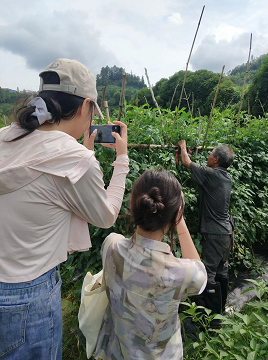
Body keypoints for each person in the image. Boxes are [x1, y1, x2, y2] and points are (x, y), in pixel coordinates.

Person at [0, 58, 129, 360]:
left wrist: (82, 152)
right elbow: (107, 215)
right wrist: (121, 160)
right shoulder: (75, 160)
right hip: (29, 299)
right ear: (86, 106)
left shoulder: (6, 136)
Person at [94, 169, 207, 360]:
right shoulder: (182, 272)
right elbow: (199, 270)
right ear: (176, 214)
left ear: (132, 204)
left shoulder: (111, 246)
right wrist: (179, 219)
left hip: (117, 352)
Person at [177, 140, 235, 325]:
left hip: (215, 234)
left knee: (208, 274)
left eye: (210, 154)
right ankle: (221, 310)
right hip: (226, 233)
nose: (208, 156)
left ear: (216, 159)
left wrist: (183, 146)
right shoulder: (225, 178)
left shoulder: (213, 176)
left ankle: (211, 319)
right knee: (221, 271)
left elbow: (186, 162)